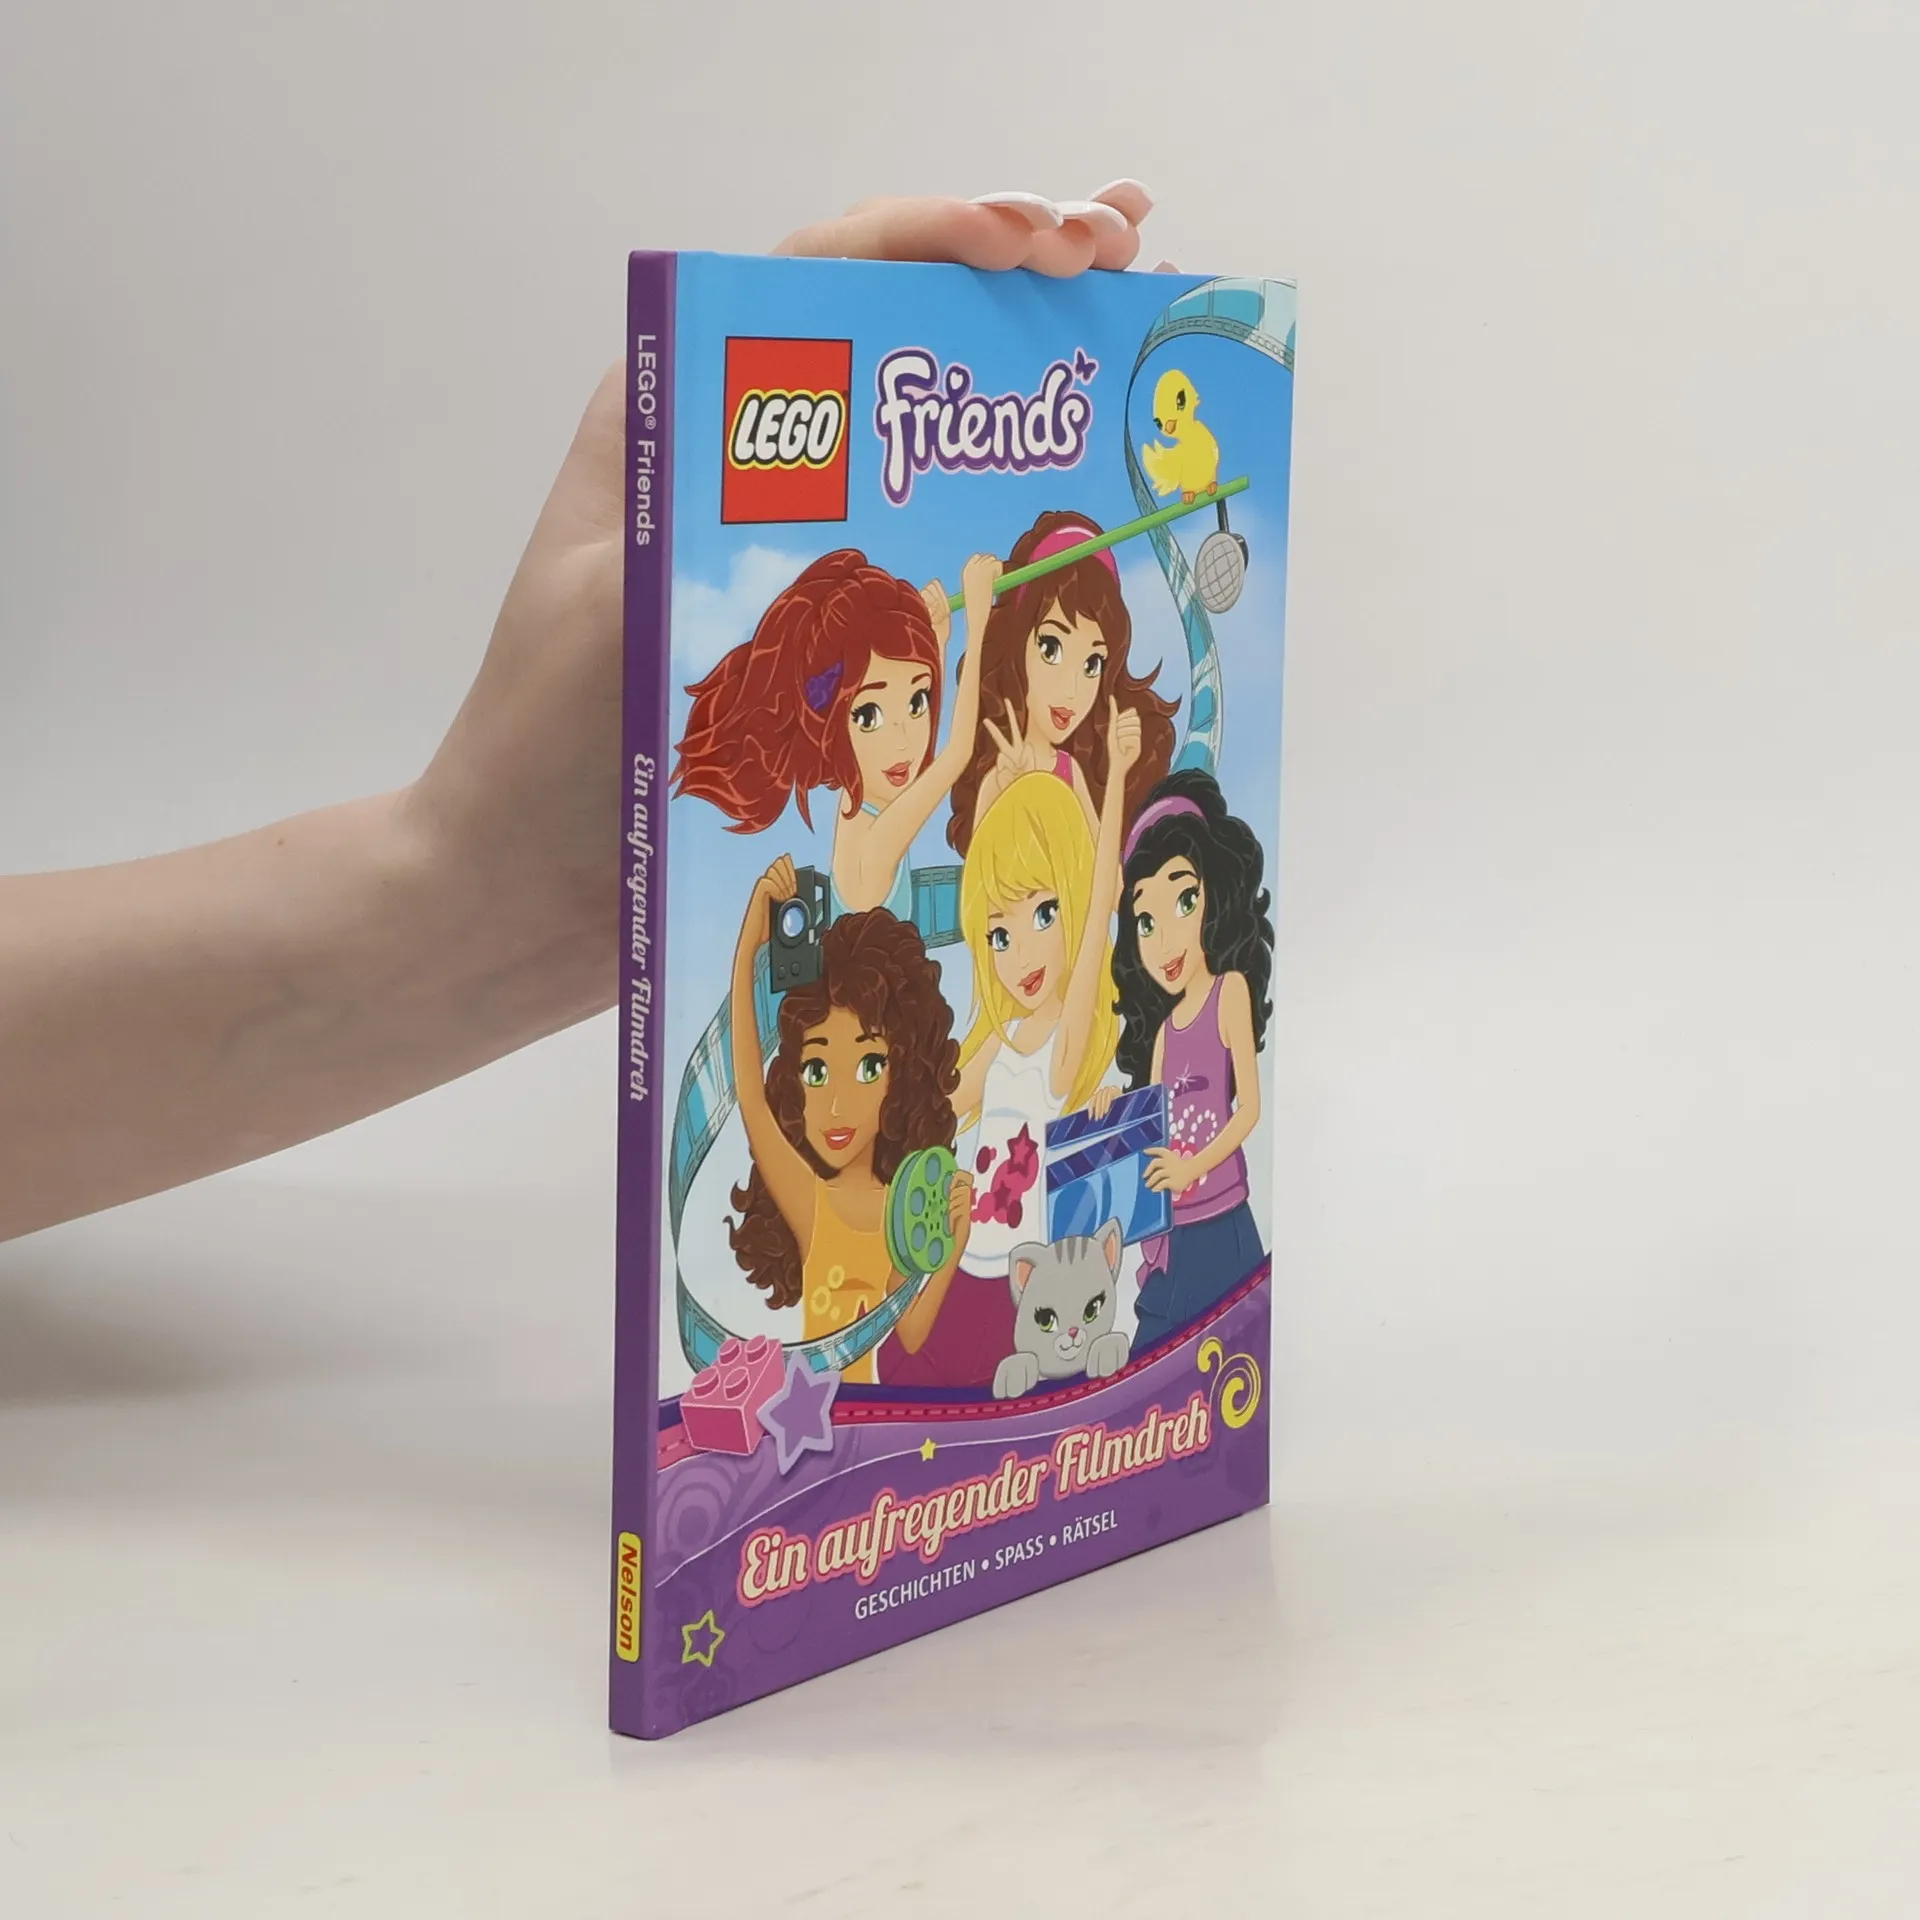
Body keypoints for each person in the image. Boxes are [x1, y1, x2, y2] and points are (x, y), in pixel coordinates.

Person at [0, 184, 1162, 1245]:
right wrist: (967, 630)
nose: (903, 731)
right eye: (879, 710)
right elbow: (948, 762)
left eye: (910, 703)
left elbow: (958, 768)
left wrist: (474, 896)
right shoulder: (866, 840)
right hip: (864, 1010)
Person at [877, 705, 1138, 1390]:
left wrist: (1113, 778)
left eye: (1044, 914)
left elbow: (1098, 911)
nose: (1019, 954)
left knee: (970, 1384)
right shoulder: (1004, 1033)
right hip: (967, 1263)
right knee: (899, 1361)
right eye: (1000, 935)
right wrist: (998, 785)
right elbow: (944, 1102)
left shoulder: (1065, 1045)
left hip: (1023, 1288)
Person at [725, 861, 972, 1385]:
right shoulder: (811, 1201)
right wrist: (749, 946)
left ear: (903, 1072)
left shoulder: (901, 1208)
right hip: (809, 1416)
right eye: (816, 1072)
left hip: (869, 1413)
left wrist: (956, 1240)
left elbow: (911, 1334)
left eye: (869, 1067)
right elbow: (749, 1094)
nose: (836, 1105)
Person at [1108, 768, 1275, 1353]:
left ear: (1215, 896)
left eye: (1184, 900)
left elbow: (1249, 1110)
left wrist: (1192, 1167)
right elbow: (1149, 1119)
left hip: (1222, 1220)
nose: (1164, 941)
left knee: (1234, 1349)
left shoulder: (1230, 993)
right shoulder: (1163, 1034)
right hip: (1174, 1230)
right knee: (1156, 1356)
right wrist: (1111, 1107)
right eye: (1146, 922)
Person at [944, 508, 1177, 859]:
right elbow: (978, 878)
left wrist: (1118, 773)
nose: (1072, 691)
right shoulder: (995, 775)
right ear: (1017, 643)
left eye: (1092, 664)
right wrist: (975, 629)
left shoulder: (1071, 774)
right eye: (1051, 649)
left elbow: (1110, 885)